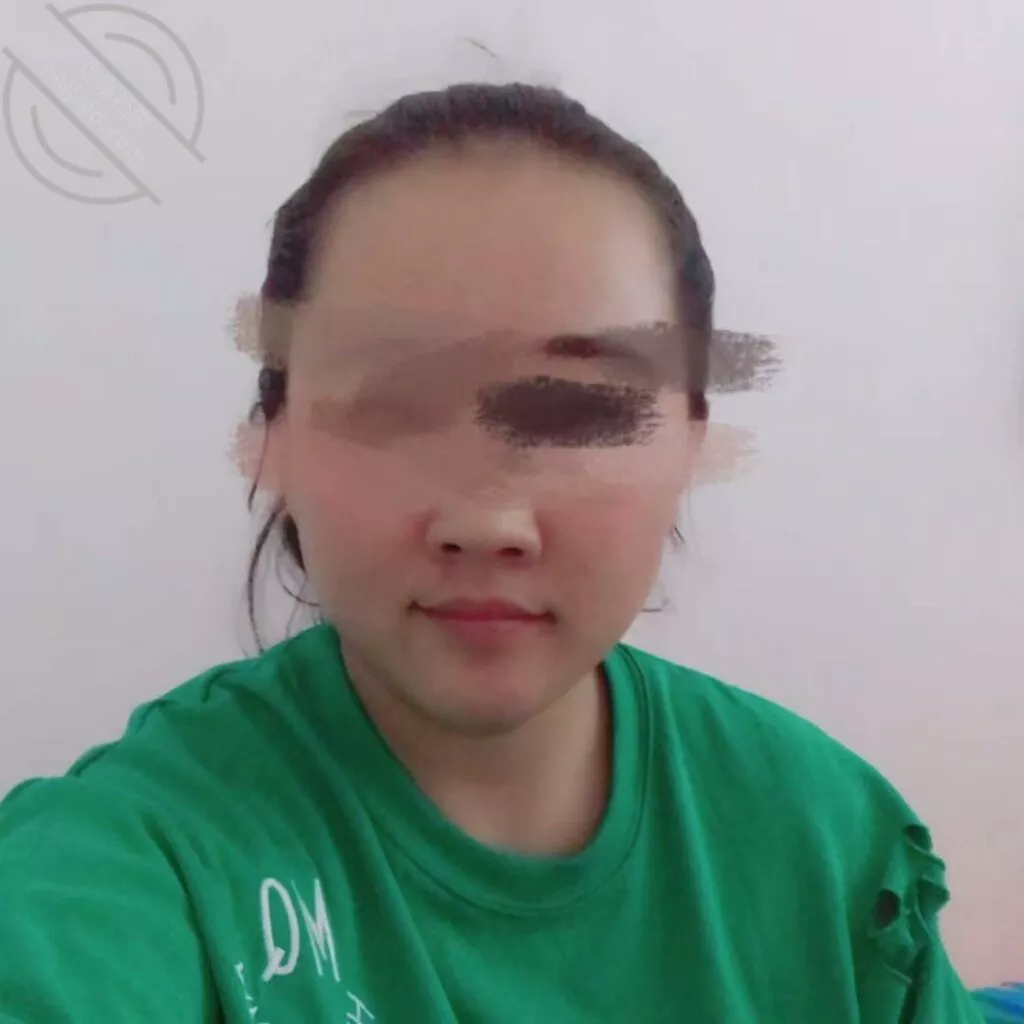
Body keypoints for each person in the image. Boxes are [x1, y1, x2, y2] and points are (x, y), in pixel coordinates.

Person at [0, 82, 985, 1023]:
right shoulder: (142, 854)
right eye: (391, 407)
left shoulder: (830, 846)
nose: (486, 519)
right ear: (275, 442)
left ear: (691, 442)